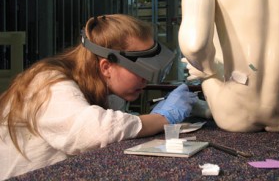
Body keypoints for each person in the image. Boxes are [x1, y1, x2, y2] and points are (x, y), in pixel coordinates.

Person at [0, 14, 198, 179]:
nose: (146, 81)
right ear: (106, 67)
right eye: (142, 71)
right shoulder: (46, 83)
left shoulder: (105, 89)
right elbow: (96, 131)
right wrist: (163, 117)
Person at [179, 0, 279, 132]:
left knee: (204, 73)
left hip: (235, 110)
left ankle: (204, 107)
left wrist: (208, 70)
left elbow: (195, 46)